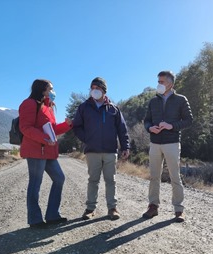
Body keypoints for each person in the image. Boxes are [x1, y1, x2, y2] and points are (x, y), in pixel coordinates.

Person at [73, 77, 130, 221]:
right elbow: (76, 126)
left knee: (111, 180)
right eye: (92, 88)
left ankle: (112, 208)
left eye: (97, 88)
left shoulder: (114, 109)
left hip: (110, 151)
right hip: (92, 150)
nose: (94, 91)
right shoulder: (84, 107)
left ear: (104, 90)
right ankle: (90, 209)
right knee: (93, 180)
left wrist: (125, 146)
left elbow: (122, 129)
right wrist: (86, 139)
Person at [19, 79, 73, 228]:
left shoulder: (48, 106)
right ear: (42, 89)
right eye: (50, 88)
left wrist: (67, 125)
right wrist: (44, 138)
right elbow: (25, 127)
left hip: (48, 150)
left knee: (59, 178)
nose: (53, 91)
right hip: (35, 151)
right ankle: (35, 219)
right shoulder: (29, 104)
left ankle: (52, 215)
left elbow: (53, 129)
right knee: (35, 184)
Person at [142, 70, 193, 222]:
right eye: (158, 81)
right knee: (154, 176)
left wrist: (171, 126)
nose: (159, 84)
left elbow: (189, 120)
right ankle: (153, 206)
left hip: (172, 142)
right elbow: (147, 121)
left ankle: (179, 210)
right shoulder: (153, 101)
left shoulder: (181, 100)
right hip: (155, 143)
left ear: (171, 83)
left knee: (175, 176)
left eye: (161, 82)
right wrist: (150, 128)